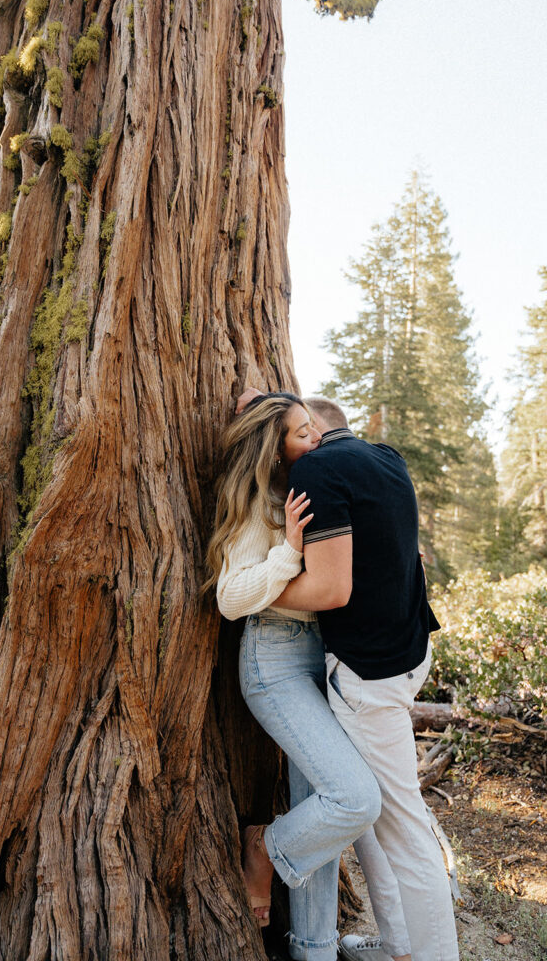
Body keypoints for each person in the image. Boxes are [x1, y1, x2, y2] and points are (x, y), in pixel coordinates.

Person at [268, 395, 460, 961]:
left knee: (403, 828)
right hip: (408, 655)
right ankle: (399, 945)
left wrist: (259, 592)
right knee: (376, 817)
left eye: (302, 433)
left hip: (368, 677)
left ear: (316, 431)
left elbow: (331, 590)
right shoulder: (387, 458)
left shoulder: (317, 468)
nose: (295, 448)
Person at [205, 392, 393, 961]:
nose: (316, 439)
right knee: (355, 800)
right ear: (273, 448)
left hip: (328, 659)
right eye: (302, 434)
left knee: (325, 811)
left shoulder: (311, 490)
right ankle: (263, 845)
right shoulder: (257, 507)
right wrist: (288, 549)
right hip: (277, 663)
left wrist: (269, 395)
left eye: (315, 429)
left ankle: (313, 949)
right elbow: (231, 598)